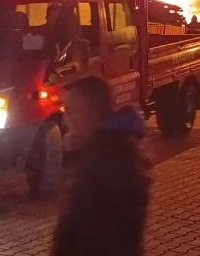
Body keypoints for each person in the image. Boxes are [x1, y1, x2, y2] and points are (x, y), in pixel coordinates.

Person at [50, 80, 152, 256]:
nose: (67, 120)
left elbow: (107, 231)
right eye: (66, 110)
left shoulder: (112, 158)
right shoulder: (95, 149)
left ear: (94, 113)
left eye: (76, 111)